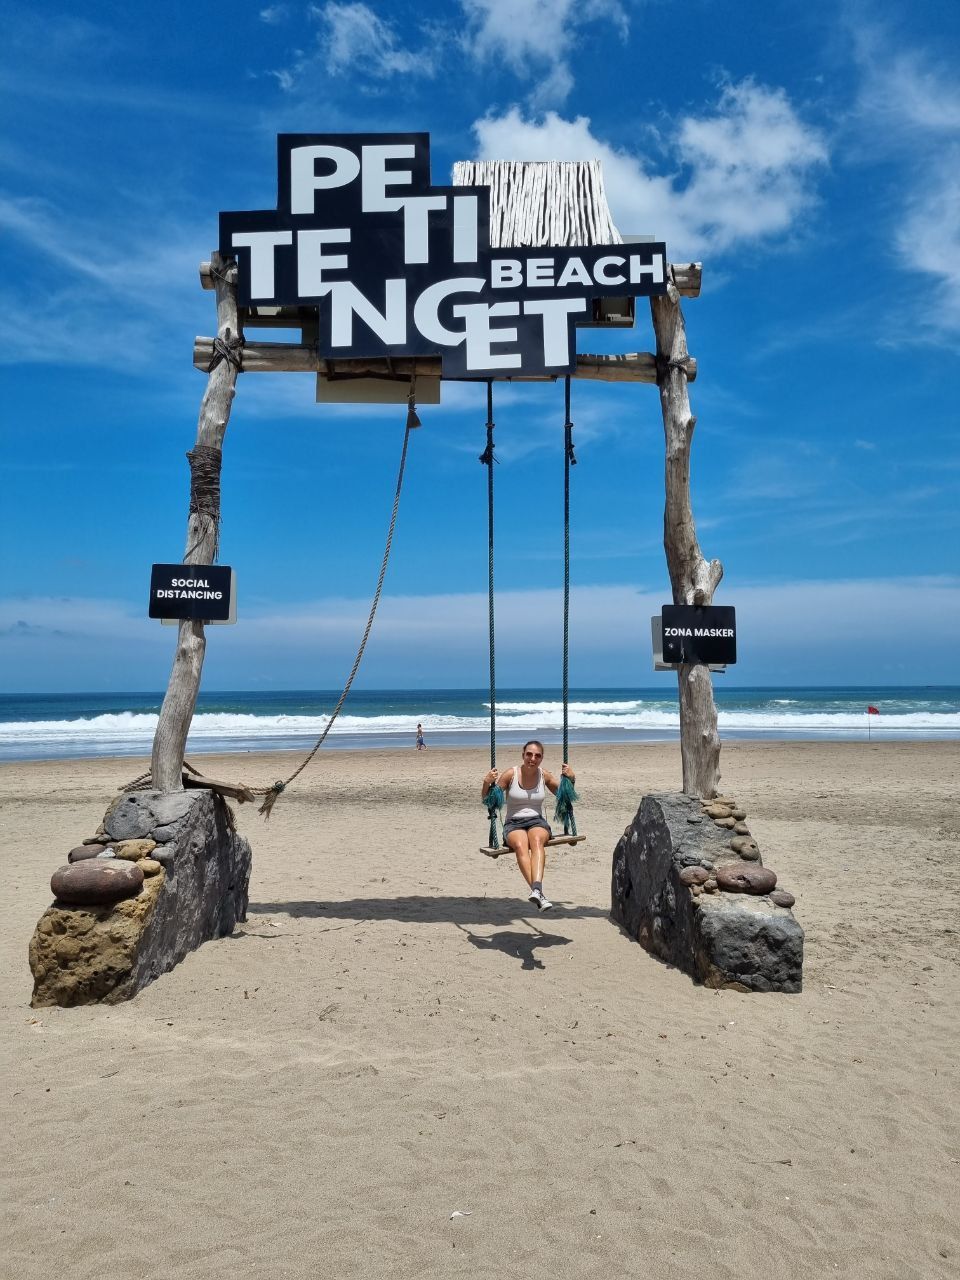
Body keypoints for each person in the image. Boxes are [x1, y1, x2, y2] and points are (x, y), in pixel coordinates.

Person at [481, 740, 576, 912]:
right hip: (513, 823)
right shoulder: (511, 774)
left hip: (537, 821)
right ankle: (539, 893)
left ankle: (537, 890)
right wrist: (486, 783)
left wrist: (571, 778)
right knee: (520, 845)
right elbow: (488, 801)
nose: (533, 758)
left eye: (537, 755)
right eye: (529, 754)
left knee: (537, 841)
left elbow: (564, 795)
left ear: (541, 758)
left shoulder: (544, 775)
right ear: (523, 755)